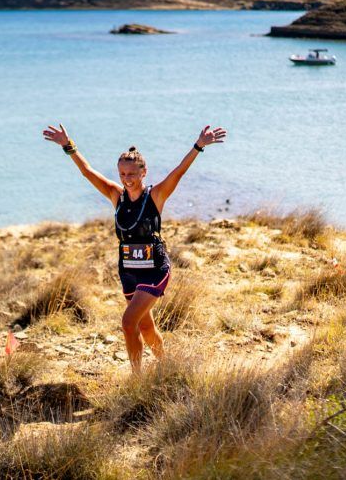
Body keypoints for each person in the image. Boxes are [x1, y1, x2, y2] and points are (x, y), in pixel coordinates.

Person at [42, 123, 226, 373]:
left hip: (154, 270)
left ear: (143, 173)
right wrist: (68, 145)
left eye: (131, 174)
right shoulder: (115, 195)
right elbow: (87, 172)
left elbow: (178, 172)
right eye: (122, 174)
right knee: (145, 327)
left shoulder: (156, 196)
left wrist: (198, 146)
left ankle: (137, 380)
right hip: (128, 271)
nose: (126, 179)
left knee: (128, 322)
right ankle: (167, 367)